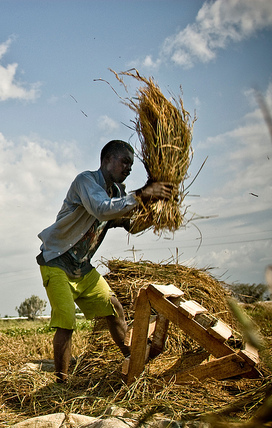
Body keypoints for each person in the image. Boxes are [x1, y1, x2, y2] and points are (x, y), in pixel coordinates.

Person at [36, 140, 173, 383]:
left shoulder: (118, 193)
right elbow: (102, 210)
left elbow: (130, 224)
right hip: (57, 260)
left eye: (131, 164)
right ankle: (61, 382)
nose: (129, 169)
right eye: (125, 162)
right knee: (66, 321)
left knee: (114, 307)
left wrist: (158, 211)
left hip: (82, 266)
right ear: (107, 160)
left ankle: (134, 362)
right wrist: (142, 193)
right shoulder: (86, 182)